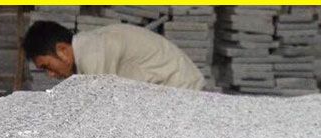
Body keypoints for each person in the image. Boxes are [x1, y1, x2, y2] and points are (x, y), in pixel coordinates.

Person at [22, 21, 205, 90]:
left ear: (62, 50)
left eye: (47, 66)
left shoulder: (91, 52)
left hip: (181, 87)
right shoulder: (88, 46)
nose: (50, 75)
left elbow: (100, 104)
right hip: (170, 87)